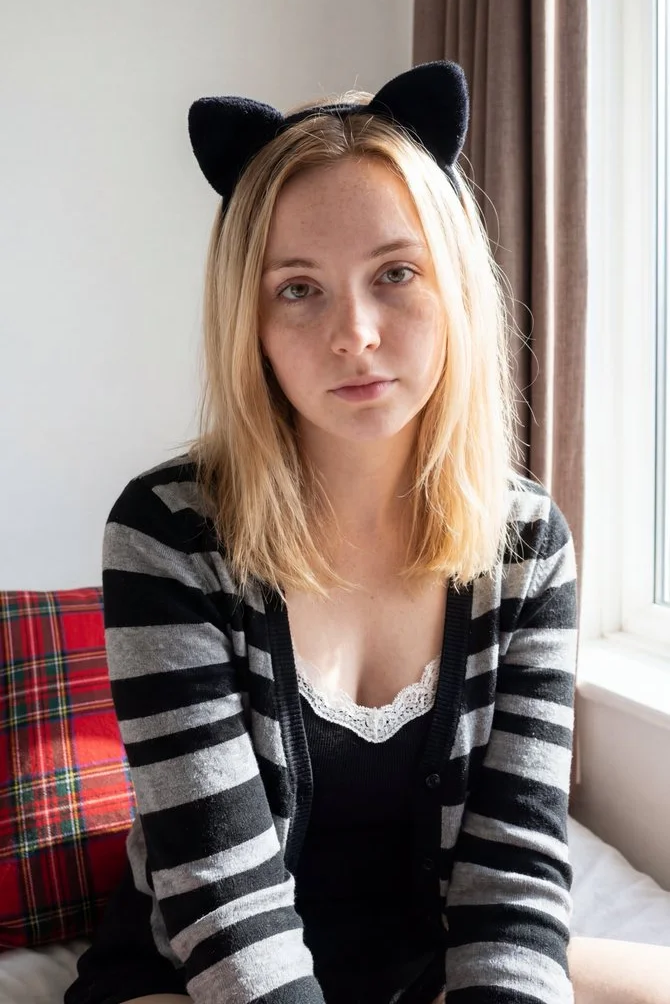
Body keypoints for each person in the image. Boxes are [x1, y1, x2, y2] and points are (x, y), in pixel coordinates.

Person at [65, 60, 581, 1004]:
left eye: (396, 274)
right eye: (298, 289)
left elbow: (513, 877)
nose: (356, 334)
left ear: (454, 286)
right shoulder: (166, 532)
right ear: (249, 321)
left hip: (425, 972)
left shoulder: (528, 543)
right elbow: (222, 902)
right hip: (197, 979)